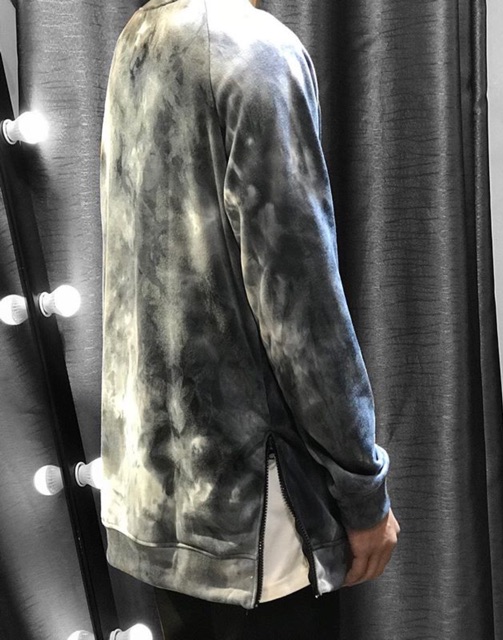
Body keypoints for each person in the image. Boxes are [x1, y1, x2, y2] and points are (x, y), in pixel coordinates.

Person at [99, 0, 400, 638]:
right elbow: (302, 312)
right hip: (258, 520)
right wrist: (363, 491)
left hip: (159, 500)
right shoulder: (255, 53)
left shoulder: (140, 41)